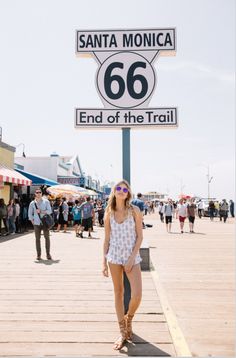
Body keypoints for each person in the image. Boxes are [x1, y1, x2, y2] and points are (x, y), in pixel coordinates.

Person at [103, 180, 143, 350]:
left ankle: (129, 318)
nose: (121, 191)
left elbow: (140, 236)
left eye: (124, 189)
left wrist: (131, 258)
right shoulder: (108, 212)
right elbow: (106, 240)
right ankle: (122, 331)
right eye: (118, 188)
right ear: (114, 192)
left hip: (131, 257)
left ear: (128, 193)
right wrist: (103, 262)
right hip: (113, 257)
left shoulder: (134, 210)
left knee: (137, 294)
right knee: (118, 293)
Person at [28, 188, 52, 260]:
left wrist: (41, 211)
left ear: (41, 193)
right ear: (35, 194)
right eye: (37, 192)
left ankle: (48, 254)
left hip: (45, 223)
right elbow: (30, 213)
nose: (38, 194)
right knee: (37, 239)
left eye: (39, 192)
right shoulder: (32, 203)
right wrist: (32, 220)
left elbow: (49, 211)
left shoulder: (46, 201)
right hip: (36, 223)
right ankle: (38, 255)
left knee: (47, 238)